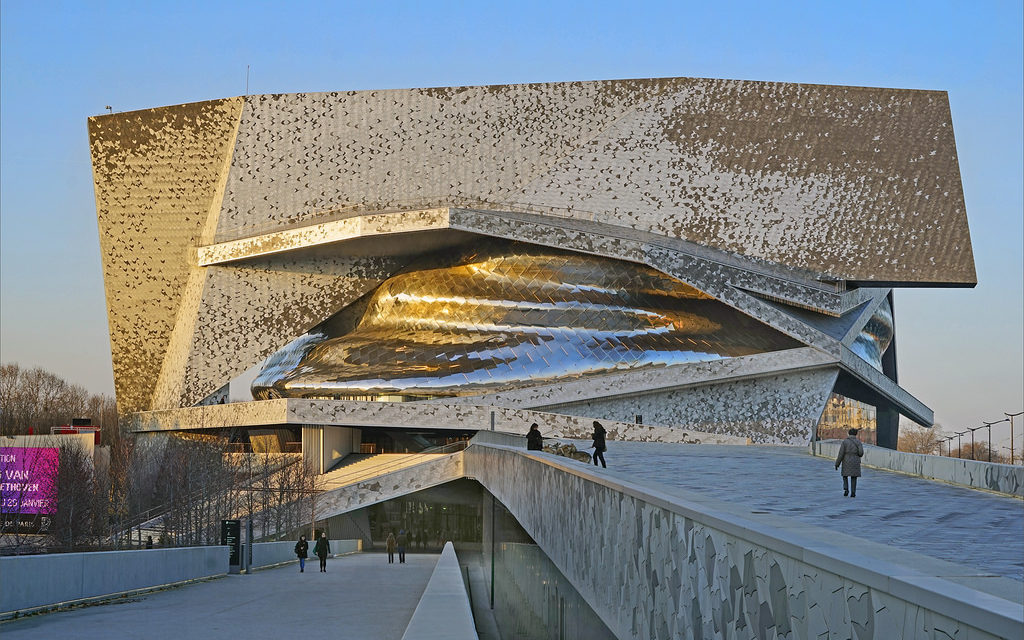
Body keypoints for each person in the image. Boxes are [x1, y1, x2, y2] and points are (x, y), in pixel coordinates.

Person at [835, 428, 865, 497]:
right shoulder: (858, 442)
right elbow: (861, 453)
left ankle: (846, 489)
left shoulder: (845, 442)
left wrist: (837, 464)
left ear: (849, 433)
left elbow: (841, 454)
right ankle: (853, 492)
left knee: (845, 475)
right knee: (854, 477)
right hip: (855, 460)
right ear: (856, 434)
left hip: (846, 460)